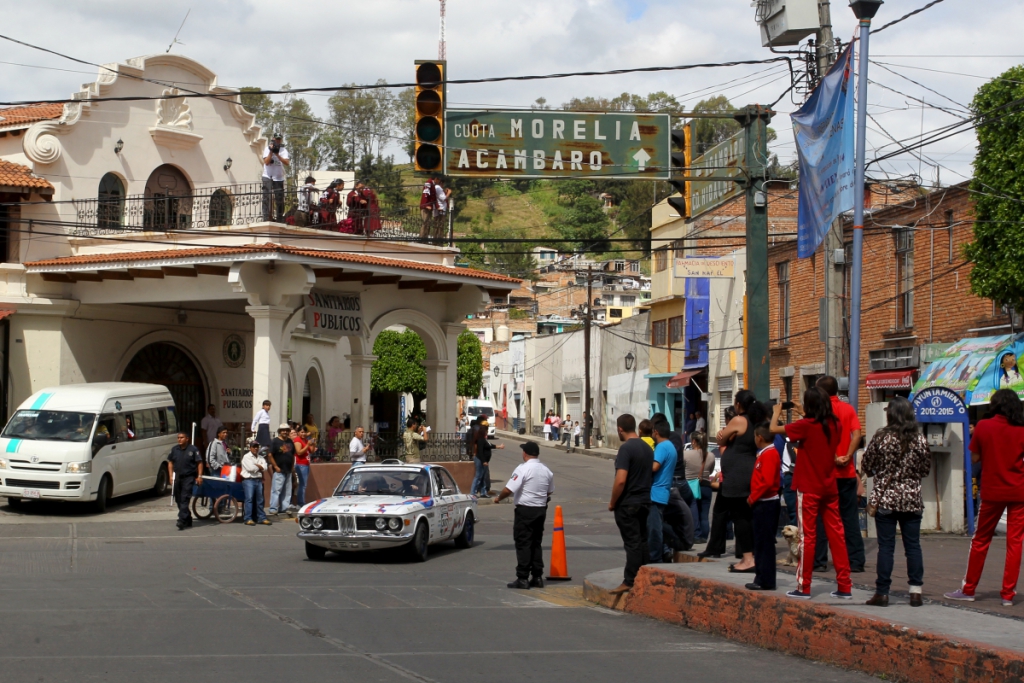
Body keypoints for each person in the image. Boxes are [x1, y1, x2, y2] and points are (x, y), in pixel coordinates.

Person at [770, 388, 852, 600]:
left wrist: (777, 412)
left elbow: (773, 428)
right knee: (837, 534)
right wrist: (803, 412)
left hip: (808, 486)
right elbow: (818, 426)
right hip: (829, 485)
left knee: (808, 536)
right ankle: (845, 585)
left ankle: (803, 586)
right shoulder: (835, 424)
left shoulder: (805, 425)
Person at [946, 389, 1024, 606]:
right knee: (1015, 543)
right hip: (1019, 491)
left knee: (981, 540)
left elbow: (976, 457)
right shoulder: (1021, 430)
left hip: (992, 490)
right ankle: (1008, 595)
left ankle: (969, 588)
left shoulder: (984, 426)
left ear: (995, 405)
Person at [861, 397, 930, 607]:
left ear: (891, 414)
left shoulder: (881, 437)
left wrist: (880, 472)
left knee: (886, 548)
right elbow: (925, 469)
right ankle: (916, 591)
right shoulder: (919, 439)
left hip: (886, 500)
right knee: (913, 546)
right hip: (911, 499)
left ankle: (882, 592)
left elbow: (867, 464)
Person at [813, 376, 866, 573]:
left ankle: (819, 560)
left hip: (826, 474)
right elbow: (857, 434)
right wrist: (847, 456)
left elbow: (820, 438)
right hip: (847, 473)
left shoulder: (820, 412)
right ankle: (856, 560)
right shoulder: (848, 409)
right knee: (849, 518)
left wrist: (834, 456)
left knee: (821, 518)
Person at [713, 390, 766, 572]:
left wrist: (726, 434)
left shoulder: (739, 420)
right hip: (748, 470)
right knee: (746, 515)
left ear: (738, 405)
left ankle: (748, 559)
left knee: (740, 516)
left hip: (738, 474)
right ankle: (751, 556)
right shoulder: (755, 420)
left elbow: (721, 439)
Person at [495, 441, 555, 589]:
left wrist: (498, 498)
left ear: (525, 453)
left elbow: (509, 489)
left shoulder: (523, 469)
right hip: (541, 509)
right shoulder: (546, 470)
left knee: (523, 542)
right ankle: (537, 576)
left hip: (525, 510)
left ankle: (522, 577)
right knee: (536, 542)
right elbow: (549, 490)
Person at [607, 414, 653, 594]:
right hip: (645, 501)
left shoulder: (626, 449)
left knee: (632, 543)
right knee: (642, 541)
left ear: (620, 429)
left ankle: (630, 580)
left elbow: (620, 480)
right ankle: (645, 576)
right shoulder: (647, 448)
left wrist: (612, 502)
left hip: (628, 503)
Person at [746, 422, 782, 592]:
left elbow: (767, 482)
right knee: (760, 542)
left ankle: (765, 579)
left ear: (759, 438)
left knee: (764, 543)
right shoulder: (765, 453)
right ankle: (761, 577)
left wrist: (753, 497)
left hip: (766, 503)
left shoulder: (769, 454)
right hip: (763, 502)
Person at [166, 432, 203, 531]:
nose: (179, 439)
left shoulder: (193, 449)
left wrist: (199, 476)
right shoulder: (175, 449)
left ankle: (181, 520)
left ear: (187, 439)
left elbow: (199, 463)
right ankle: (188, 518)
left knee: (184, 499)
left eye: (181, 438)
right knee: (178, 500)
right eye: (178, 438)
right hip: (177, 477)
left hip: (189, 477)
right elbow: (170, 462)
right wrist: (170, 476)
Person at [684, 431, 713, 542]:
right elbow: (710, 471)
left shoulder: (686, 454)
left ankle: (696, 535)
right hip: (706, 486)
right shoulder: (710, 455)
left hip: (691, 486)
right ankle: (704, 537)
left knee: (692, 513)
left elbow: (682, 468)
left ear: (694, 441)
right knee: (704, 515)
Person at [267, 424, 295, 516]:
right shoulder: (275, 441)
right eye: (283, 430)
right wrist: (275, 466)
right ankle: (273, 508)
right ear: (279, 431)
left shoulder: (290, 441)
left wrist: (292, 467)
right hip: (279, 470)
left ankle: (284, 508)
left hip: (288, 470)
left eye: (287, 430)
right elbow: (270, 455)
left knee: (287, 491)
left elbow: (293, 455)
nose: (285, 432)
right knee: (276, 490)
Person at [241, 441, 271, 526]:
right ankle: (248, 518)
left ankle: (261, 517)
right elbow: (251, 468)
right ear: (250, 448)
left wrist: (258, 466)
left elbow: (265, 467)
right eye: (254, 447)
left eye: (257, 447)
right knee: (249, 499)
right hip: (249, 480)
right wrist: (259, 466)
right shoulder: (246, 457)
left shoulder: (261, 457)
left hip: (258, 479)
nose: (255, 448)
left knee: (260, 500)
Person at [261, 133, 290, 221]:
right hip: (267, 176)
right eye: (276, 139)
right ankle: (266, 217)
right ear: (273, 139)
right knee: (267, 197)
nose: (278, 140)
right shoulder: (267, 149)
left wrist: (277, 155)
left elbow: (287, 163)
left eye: (279, 139)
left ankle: (279, 217)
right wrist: (271, 151)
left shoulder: (284, 150)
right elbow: (266, 162)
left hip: (278, 178)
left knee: (279, 198)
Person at [291, 427, 310, 508]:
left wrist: (312, 444)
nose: (303, 434)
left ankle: (301, 501)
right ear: (298, 433)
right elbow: (299, 452)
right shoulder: (298, 440)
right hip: (301, 464)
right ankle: (300, 502)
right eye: (301, 432)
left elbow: (311, 450)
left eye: (304, 432)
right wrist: (308, 445)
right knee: (302, 484)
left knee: (303, 484)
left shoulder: (305, 440)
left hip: (306, 464)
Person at [432, 177, 451, 242]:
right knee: (440, 226)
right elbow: (443, 198)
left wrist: (445, 193)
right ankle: (438, 241)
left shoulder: (437, 188)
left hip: (439, 209)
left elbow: (441, 197)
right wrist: (449, 193)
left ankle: (436, 240)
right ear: (441, 183)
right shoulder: (438, 188)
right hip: (440, 210)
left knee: (437, 226)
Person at [419, 176, 437, 240]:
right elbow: (425, 194)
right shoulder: (428, 183)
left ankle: (425, 238)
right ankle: (422, 238)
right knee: (425, 222)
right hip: (425, 207)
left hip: (430, 207)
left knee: (428, 223)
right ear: (436, 178)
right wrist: (426, 205)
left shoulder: (433, 184)